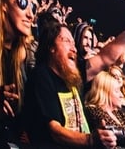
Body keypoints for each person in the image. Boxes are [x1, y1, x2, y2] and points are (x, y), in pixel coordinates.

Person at [22, 20, 118, 148]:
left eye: (73, 43)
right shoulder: (42, 75)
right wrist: (91, 140)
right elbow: (55, 131)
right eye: (66, 41)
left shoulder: (73, 75)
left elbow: (105, 58)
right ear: (51, 47)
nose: (74, 48)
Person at [0, 0, 37, 142]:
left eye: (32, 7)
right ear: (4, 4)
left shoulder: (26, 56)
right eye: (22, 3)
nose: (30, 14)